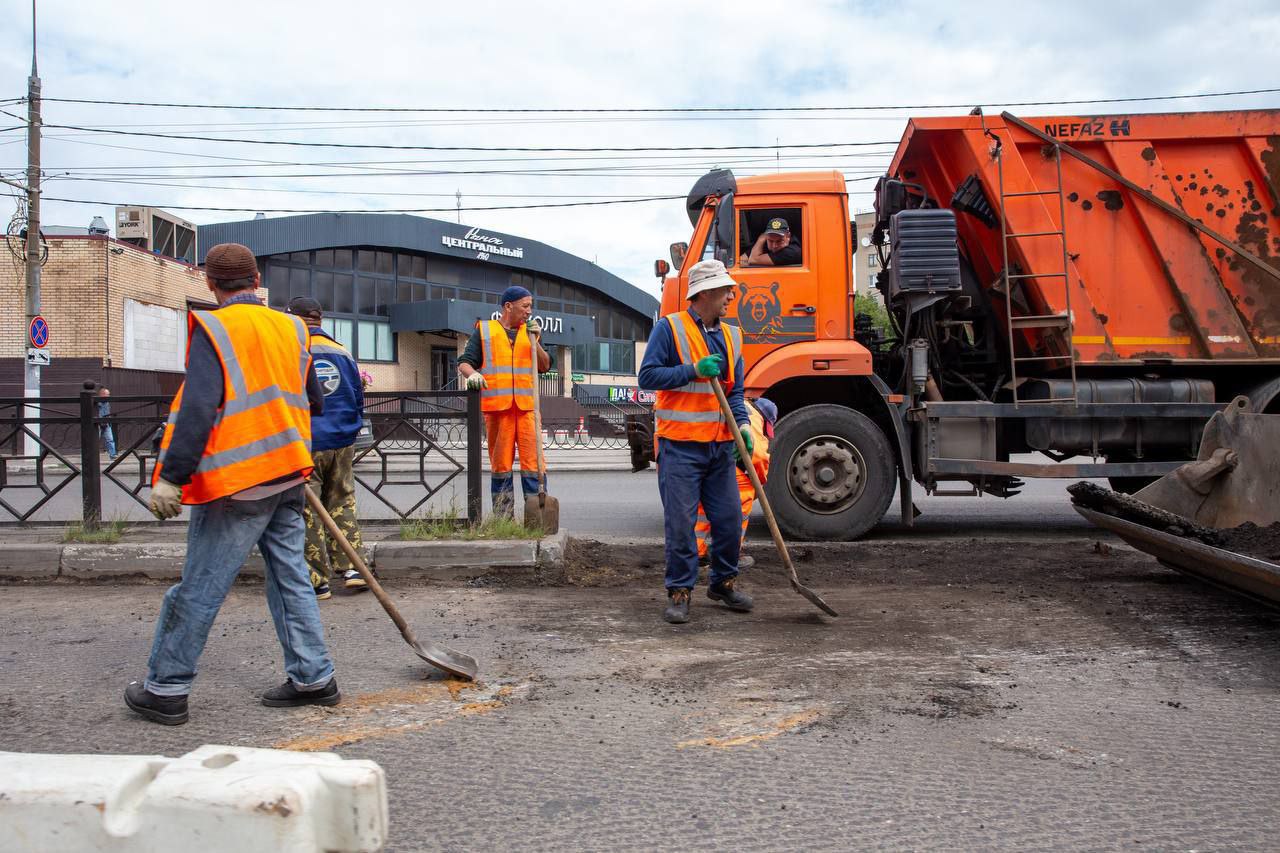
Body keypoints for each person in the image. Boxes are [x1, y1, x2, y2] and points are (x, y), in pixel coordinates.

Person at [124, 243, 337, 726]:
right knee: (291, 581)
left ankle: (166, 688)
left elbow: (199, 408)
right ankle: (314, 677)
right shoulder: (292, 328)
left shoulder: (214, 328)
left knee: (199, 587)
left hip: (239, 483)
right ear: (257, 279)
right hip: (288, 472)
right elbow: (315, 401)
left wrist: (171, 479)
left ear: (209, 282)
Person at [638, 258, 755, 624]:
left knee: (729, 520)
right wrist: (692, 370)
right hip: (680, 446)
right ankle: (679, 590)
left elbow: (734, 392)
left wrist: (744, 427)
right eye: (725, 290)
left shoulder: (733, 335)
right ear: (704, 293)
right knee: (681, 523)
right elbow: (648, 376)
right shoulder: (669, 328)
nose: (730, 296)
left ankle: (722, 582)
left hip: (719, 447)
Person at [288, 296, 366, 600]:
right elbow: (358, 397)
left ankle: (316, 579)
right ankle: (352, 569)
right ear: (320, 319)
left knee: (309, 509)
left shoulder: (294, 349)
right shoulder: (342, 351)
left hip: (308, 440)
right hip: (342, 440)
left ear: (293, 317)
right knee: (342, 500)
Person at [457, 285, 553, 517]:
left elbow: (545, 365)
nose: (530, 311)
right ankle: (504, 519)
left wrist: (535, 341)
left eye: (531, 306)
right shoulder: (485, 331)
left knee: (534, 463)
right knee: (501, 466)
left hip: (527, 409)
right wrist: (474, 374)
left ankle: (536, 517)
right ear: (508, 306)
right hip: (499, 411)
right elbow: (464, 362)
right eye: (525, 306)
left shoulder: (531, 332)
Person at [696, 396, 776, 570]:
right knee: (740, 509)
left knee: (701, 512)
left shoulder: (737, 403)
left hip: (707, 460)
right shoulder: (754, 419)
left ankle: (695, 553)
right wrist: (759, 483)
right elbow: (759, 457)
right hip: (734, 470)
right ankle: (730, 555)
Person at [96, 386, 116, 460]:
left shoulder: (107, 402)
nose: (109, 396)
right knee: (95, 440)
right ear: (102, 394)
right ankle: (92, 455)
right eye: (107, 394)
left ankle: (112, 455)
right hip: (98, 423)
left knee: (110, 439)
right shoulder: (96, 402)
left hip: (106, 423)